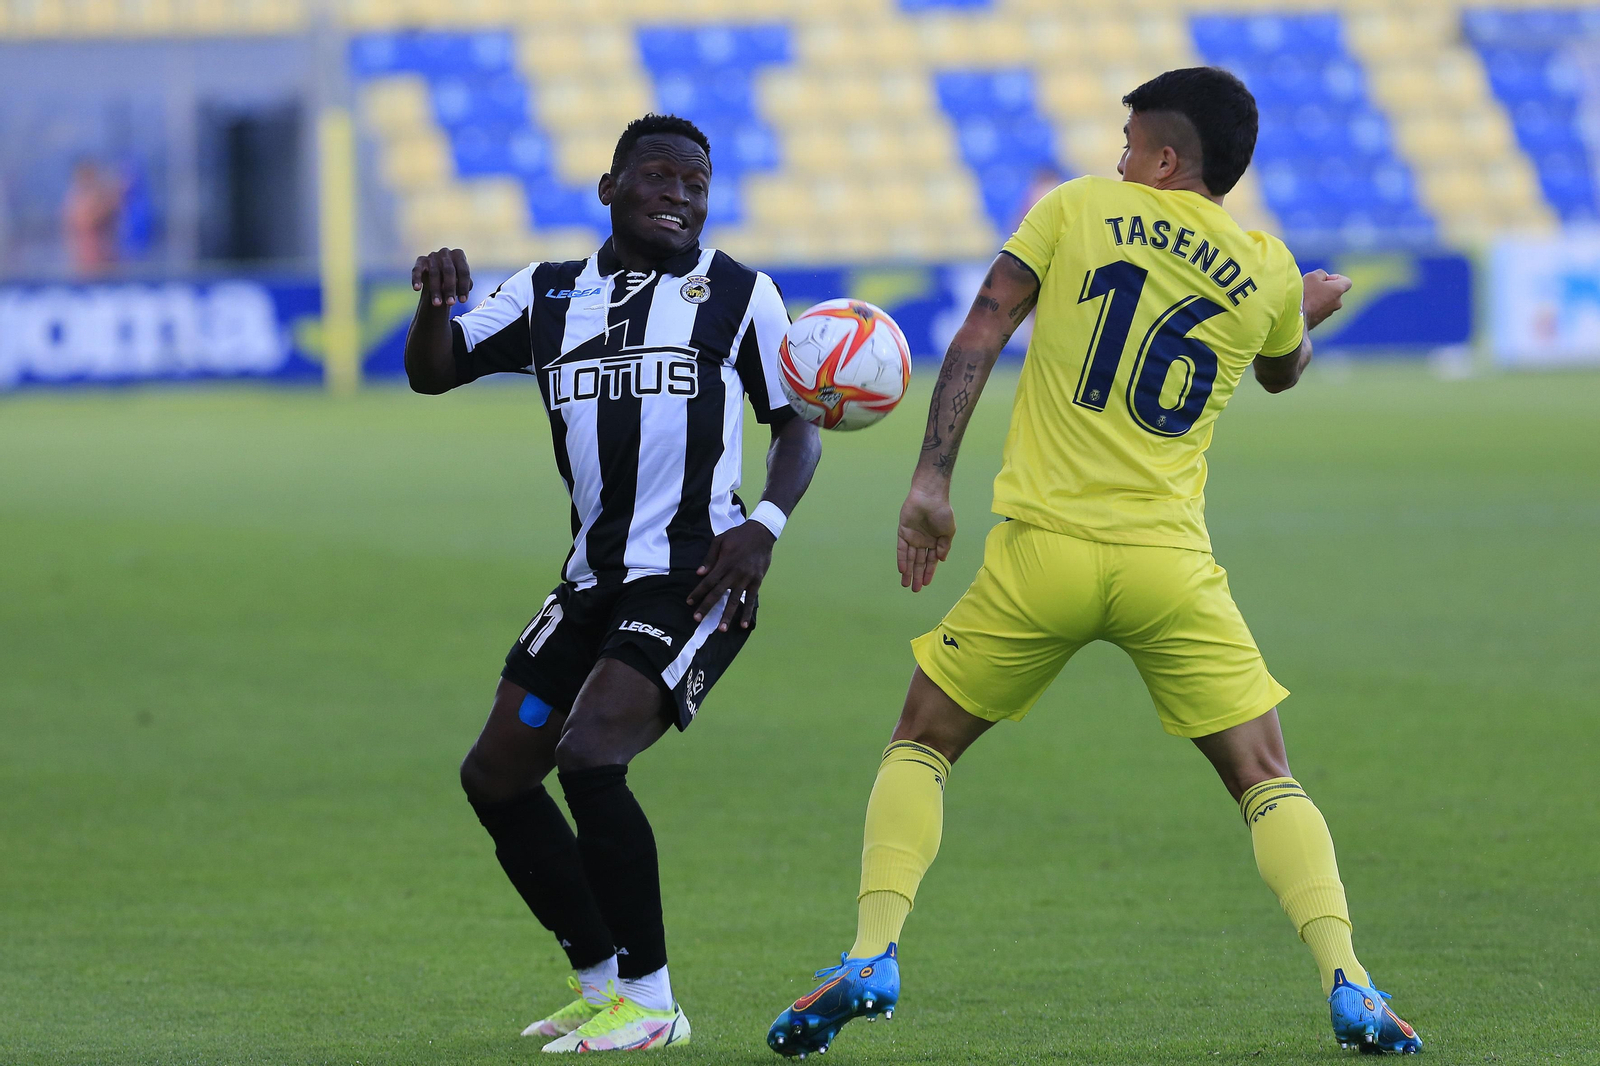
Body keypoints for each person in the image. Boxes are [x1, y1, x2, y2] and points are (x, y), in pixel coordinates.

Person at [767, 67, 1422, 1057]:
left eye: (1129, 143)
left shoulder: (1073, 208)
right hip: (1168, 565)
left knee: (921, 741)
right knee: (1263, 775)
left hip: (1044, 553)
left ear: (1165, 156)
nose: (1115, 158)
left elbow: (984, 325)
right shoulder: (1266, 268)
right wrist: (1310, 301)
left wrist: (930, 480)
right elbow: (1283, 370)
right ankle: (1349, 979)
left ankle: (870, 953)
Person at [405, 113, 822, 1054]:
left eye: (698, 184)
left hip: (701, 573)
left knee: (592, 752)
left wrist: (765, 526)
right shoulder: (548, 294)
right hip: (593, 580)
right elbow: (435, 373)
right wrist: (435, 304)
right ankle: (601, 983)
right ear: (609, 188)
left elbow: (797, 425)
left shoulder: (742, 294)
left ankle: (654, 998)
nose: (682, 195)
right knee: (498, 777)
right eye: (661, 177)